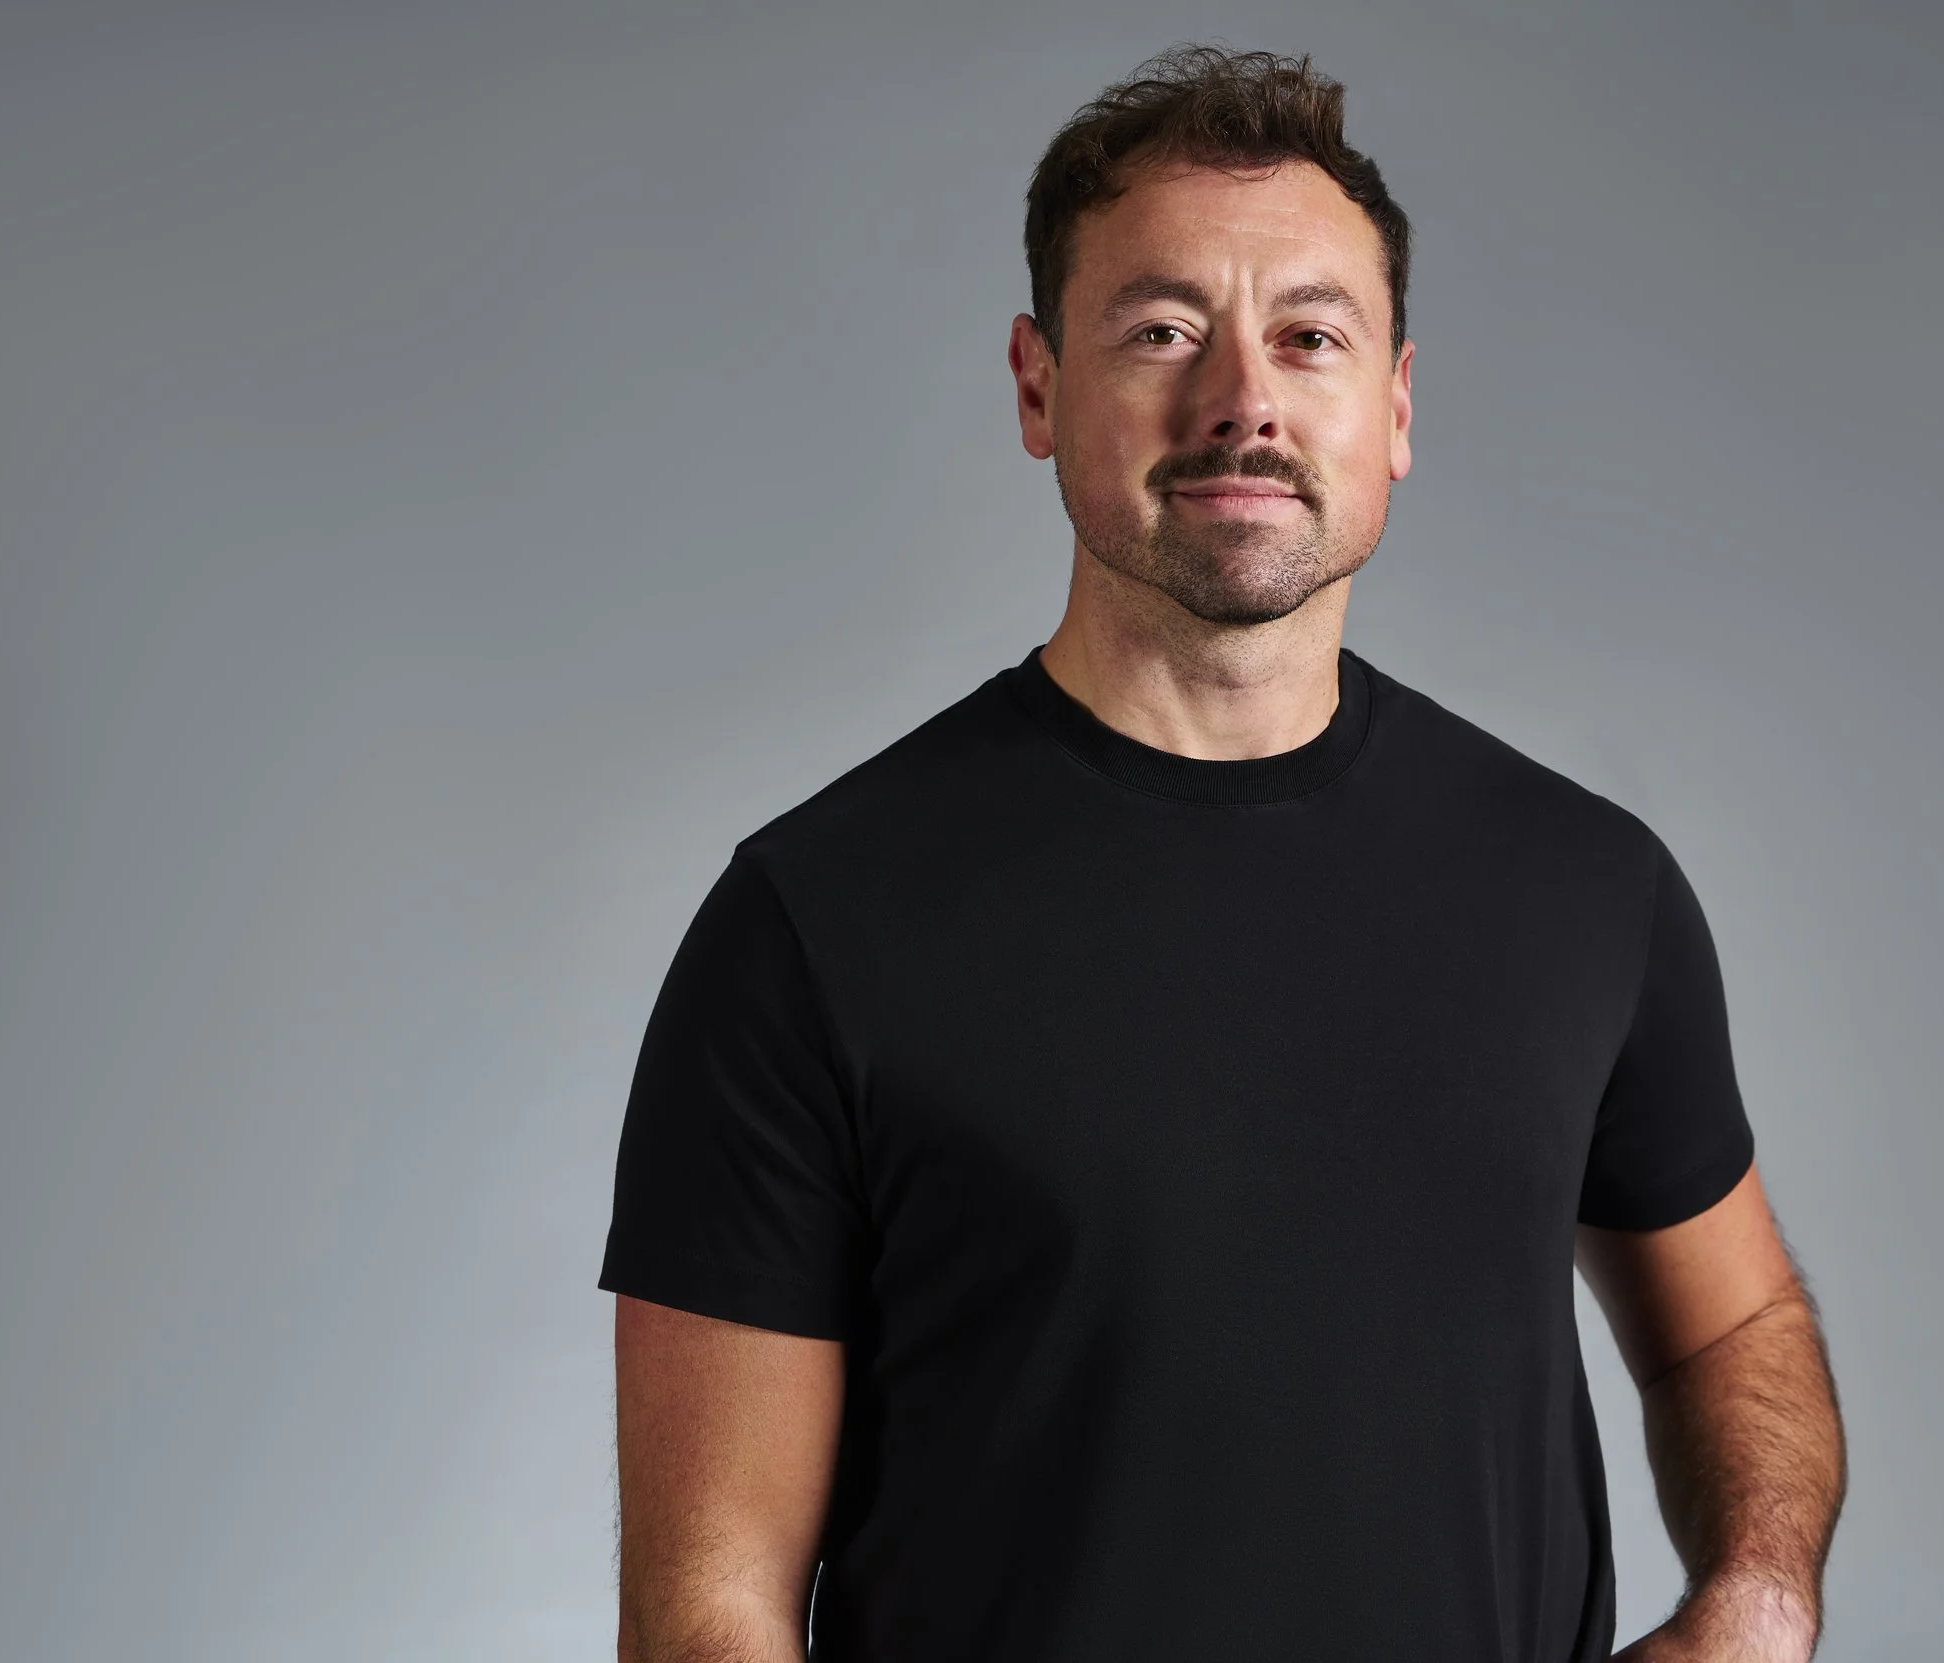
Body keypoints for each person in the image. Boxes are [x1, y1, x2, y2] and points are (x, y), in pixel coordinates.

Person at [598, 44, 1846, 1663]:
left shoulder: (1589, 888)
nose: (1242, 400)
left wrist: (1759, 1595)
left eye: (1310, 336)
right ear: (1038, 386)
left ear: (1394, 406)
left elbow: (1736, 1322)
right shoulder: (811, 925)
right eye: (1163, 330)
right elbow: (710, 1601)